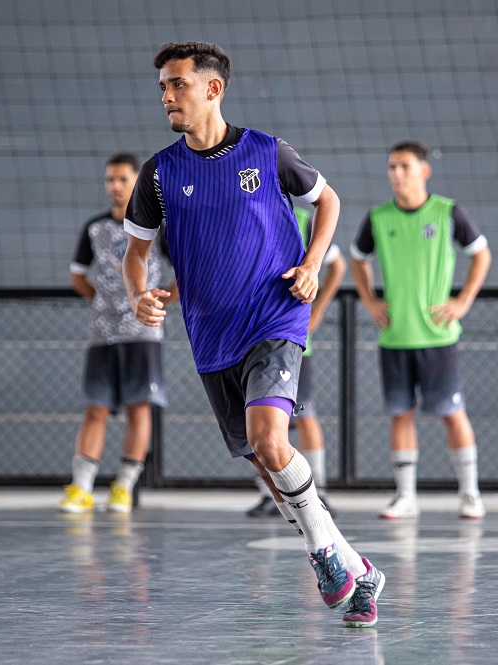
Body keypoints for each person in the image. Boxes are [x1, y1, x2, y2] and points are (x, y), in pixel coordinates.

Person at [122, 41, 384, 628]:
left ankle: (322, 557)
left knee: (270, 438)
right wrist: (140, 290)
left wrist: (313, 263)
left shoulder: (266, 152)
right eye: (162, 87)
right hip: (213, 333)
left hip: (276, 313)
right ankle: (356, 568)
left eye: (177, 85)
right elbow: (136, 253)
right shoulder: (159, 173)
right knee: (267, 465)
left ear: (212, 89)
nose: (167, 96)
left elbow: (329, 201)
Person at [350, 141, 492, 521]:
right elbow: (357, 258)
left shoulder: (448, 212)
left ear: (424, 171)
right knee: (401, 414)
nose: (397, 174)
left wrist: (461, 302)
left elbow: (481, 253)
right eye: (392, 167)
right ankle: (406, 496)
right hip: (396, 335)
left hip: (438, 336)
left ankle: (470, 494)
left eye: (405, 167)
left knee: (452, 413)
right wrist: (370, 300)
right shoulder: (378, 218)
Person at [58, 153, 177, 514]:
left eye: (123, 179)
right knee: (95, 409)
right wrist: (103, 303)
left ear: (137, 180)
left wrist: (158, 303)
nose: (115, 186)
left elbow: (185, 274)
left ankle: (123, 488)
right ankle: (82, 487)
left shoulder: (158, 227)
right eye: (110, 180)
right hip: (103, 334)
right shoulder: (95, 229)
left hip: (143, 334)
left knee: (139, 410)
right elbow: (78, 277)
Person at [247, 205, 347, 518]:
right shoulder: (244, 213)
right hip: (249, 340)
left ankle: (320, 492)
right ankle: (270, 494)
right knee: (259, 421)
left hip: (290, 343)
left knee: (303, 414)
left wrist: (315, 312)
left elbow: (338, 265)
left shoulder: (304, 219)